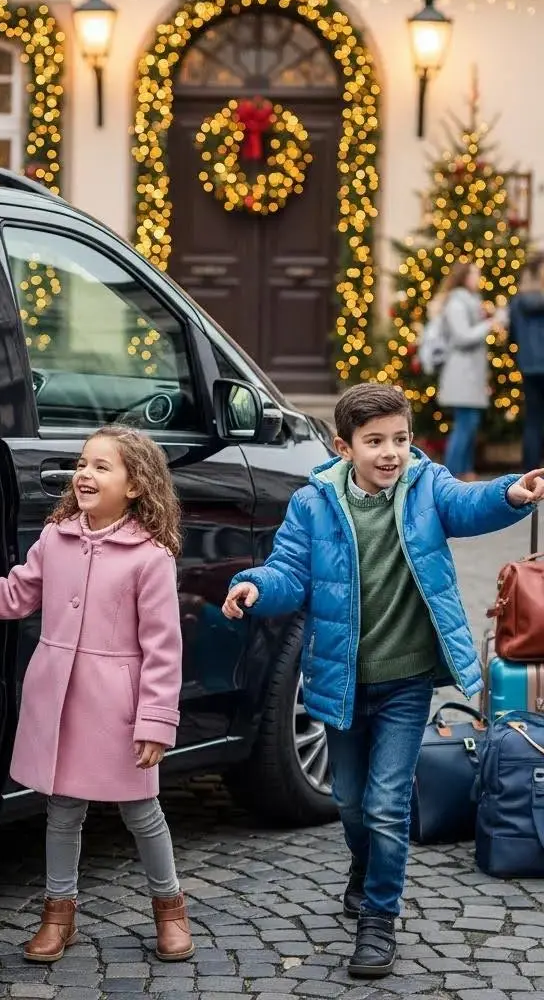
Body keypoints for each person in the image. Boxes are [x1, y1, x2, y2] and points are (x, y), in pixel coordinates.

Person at [220, 384, 544, 980]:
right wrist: (256, 587)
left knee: (387, 803)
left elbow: (469, 505)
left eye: (400, 438)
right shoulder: (314, 504)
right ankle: (365, 867)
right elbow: (290, 570)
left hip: (407, 679)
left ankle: (379, 916)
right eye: (375, 442)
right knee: (350, 803)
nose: (391, 452)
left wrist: (511, 492)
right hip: (343, 680)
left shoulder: (426, 486)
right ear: (345, 447)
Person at [0, 425, 193, 964]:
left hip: (117, 708)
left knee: (142, 812)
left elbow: (164, 649)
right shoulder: (56, 538)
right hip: (61, 704)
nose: (85, 475)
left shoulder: (150, 557)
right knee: (63, 811)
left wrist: (156, 723)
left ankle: (170, 908)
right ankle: (58, 913)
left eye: (101, 466)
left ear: (135, 485)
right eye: (83, 464)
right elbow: (13, 595)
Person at [435, 261, 506, 478]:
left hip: (470, 374)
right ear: (464, 277)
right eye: (475, 274)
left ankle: (465, 471)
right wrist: (490, 323)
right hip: (461, 373)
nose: (479, 279)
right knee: (464, 426)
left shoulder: (471, 302)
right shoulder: (456, 302)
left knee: (470, 424)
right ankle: (452, 475)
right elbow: (462, 336)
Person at [507, 254, 544, 469]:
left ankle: (530, 471)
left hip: (529, 366)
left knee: (533, 421)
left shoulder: (517, 302)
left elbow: (511, 336)